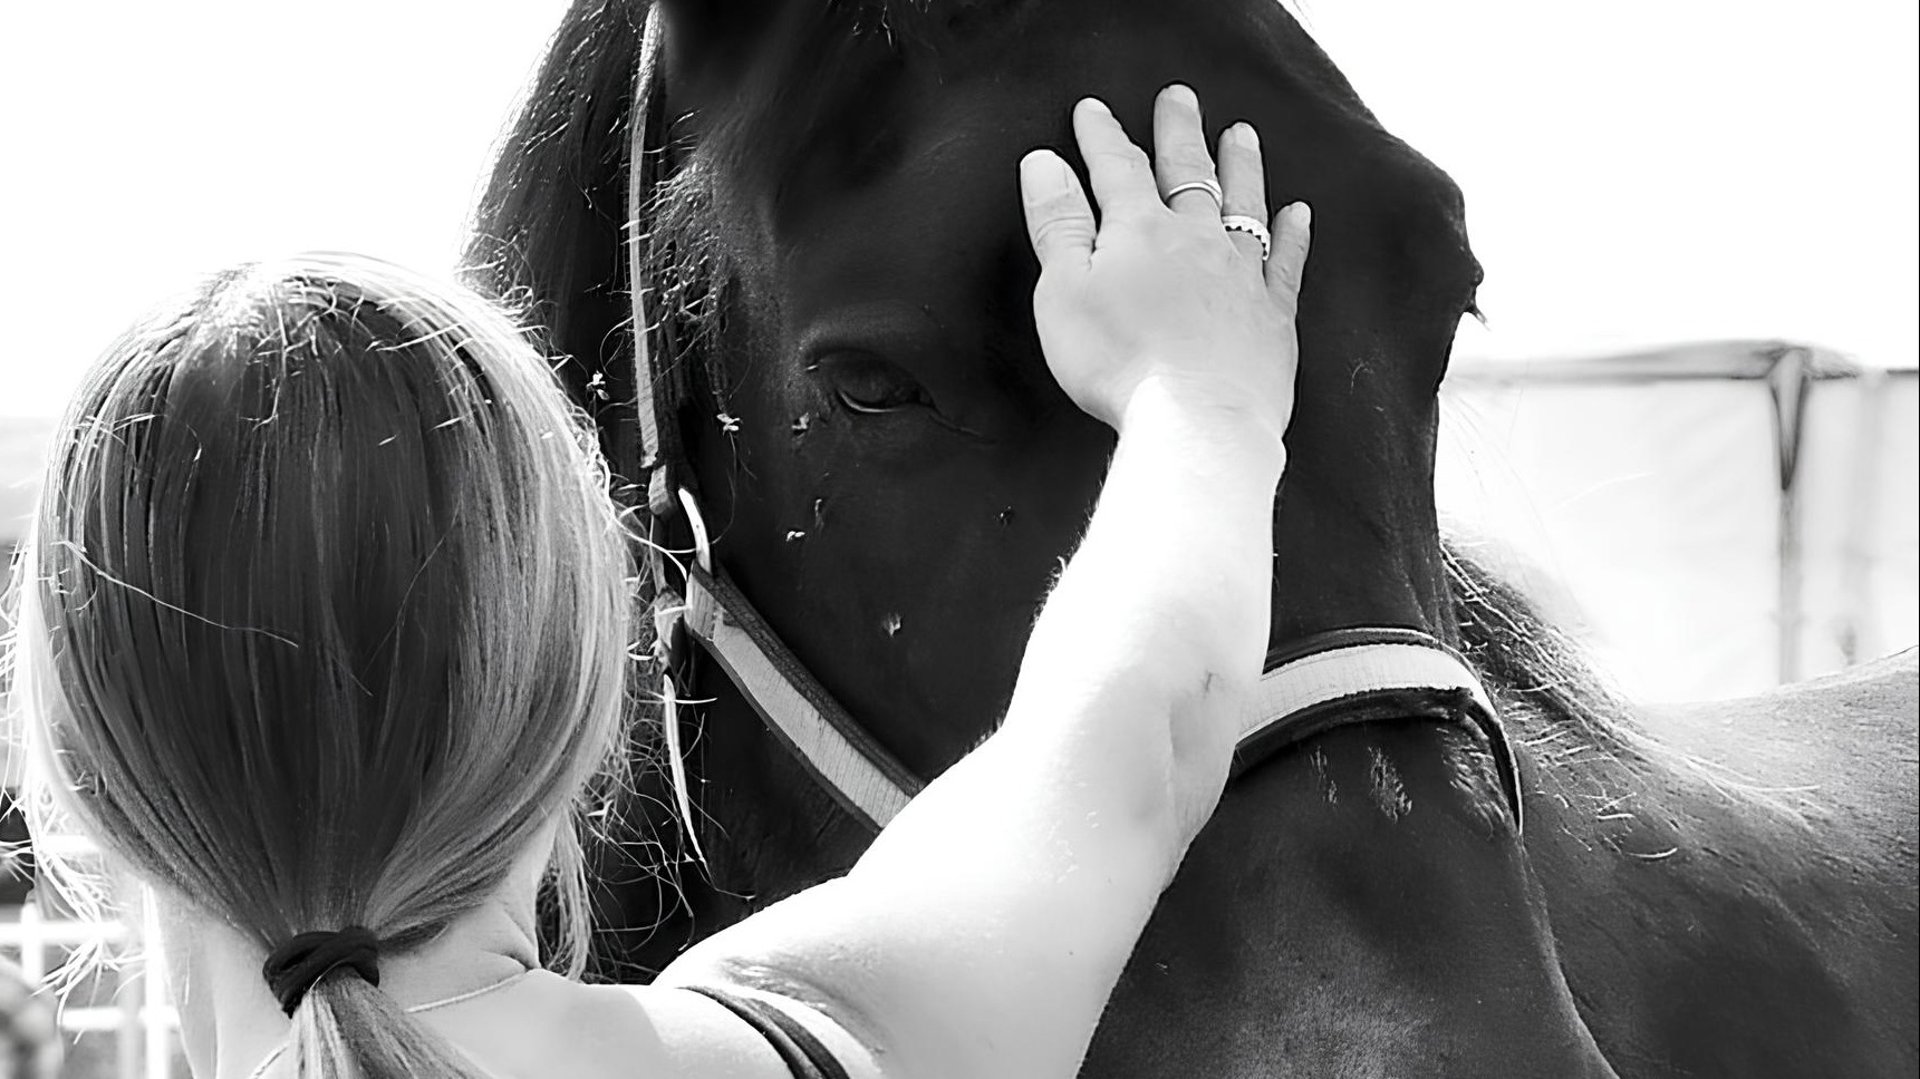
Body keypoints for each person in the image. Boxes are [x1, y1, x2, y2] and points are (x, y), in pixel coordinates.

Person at [6, 84, 1309, 1078]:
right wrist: (1207, 395)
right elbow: (1138, 742)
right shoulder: (793, 1049)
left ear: (75, 785)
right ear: (578, 706)